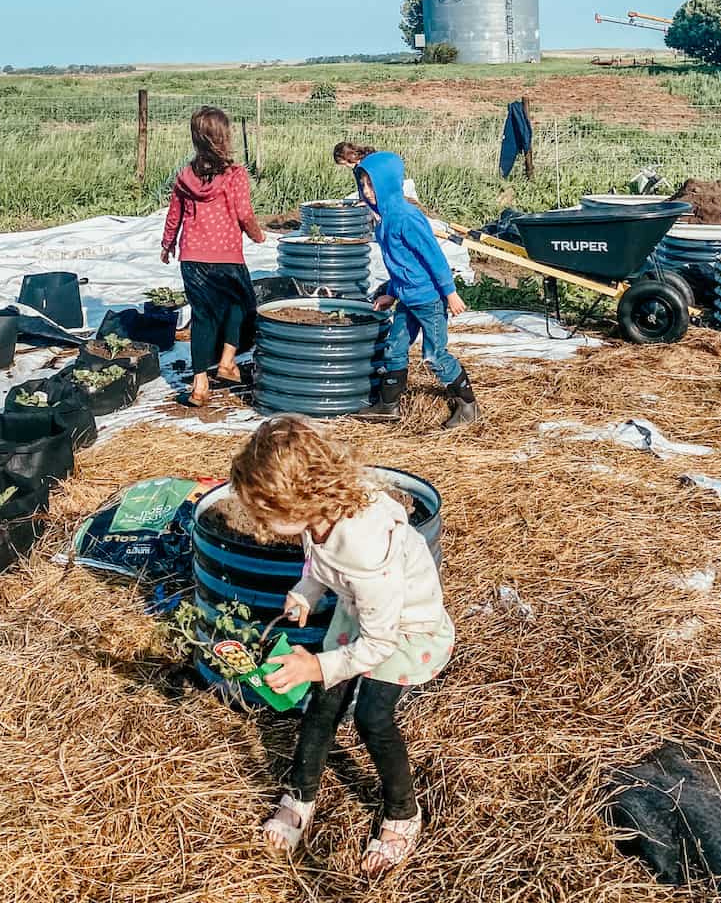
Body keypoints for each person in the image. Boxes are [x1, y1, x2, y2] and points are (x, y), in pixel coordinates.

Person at [231, 415, 454, 876]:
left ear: (299, 498)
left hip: (404, 629)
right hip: (363, 615)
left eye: (265, 510)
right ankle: (301, 794)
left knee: (373, 717)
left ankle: (402, 813)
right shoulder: (320, 517)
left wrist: (316, 665)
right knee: (324, 703)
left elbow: (379, 642)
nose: (261, 523)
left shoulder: (366, 550)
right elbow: (318, 563)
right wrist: (306, 593)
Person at [354, 150, 481, 430]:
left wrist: (450, 293)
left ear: (387, 184)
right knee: (395, 347)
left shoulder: (406, 218)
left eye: (372, 184)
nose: (366, 191)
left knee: (435, 355)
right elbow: (402, 266)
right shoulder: (383, 222)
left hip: (430, 300)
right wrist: (391, 292)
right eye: (362, 184)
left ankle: (468, 406)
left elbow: (433, 257)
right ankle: (388, 406)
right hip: (407, 299)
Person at [160, 107, 265, 407]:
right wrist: (257, 234)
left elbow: (174, 216)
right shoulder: (235, 174)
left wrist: (168, 245)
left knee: (203, 316)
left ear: (196, 138)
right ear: (225, 136)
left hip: (193, 258)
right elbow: (244, 213)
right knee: (241, 305)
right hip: (226, 256)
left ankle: (199, 385)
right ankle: (227, 362)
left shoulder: (185, 176)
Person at [332, 141, 421, 206]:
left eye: (346, 163)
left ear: (350, 156)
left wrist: (367, 202)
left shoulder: (368, 162)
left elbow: (379, 184)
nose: (347, 166)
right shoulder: (356, 168)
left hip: (396, 188)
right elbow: (361, 187)